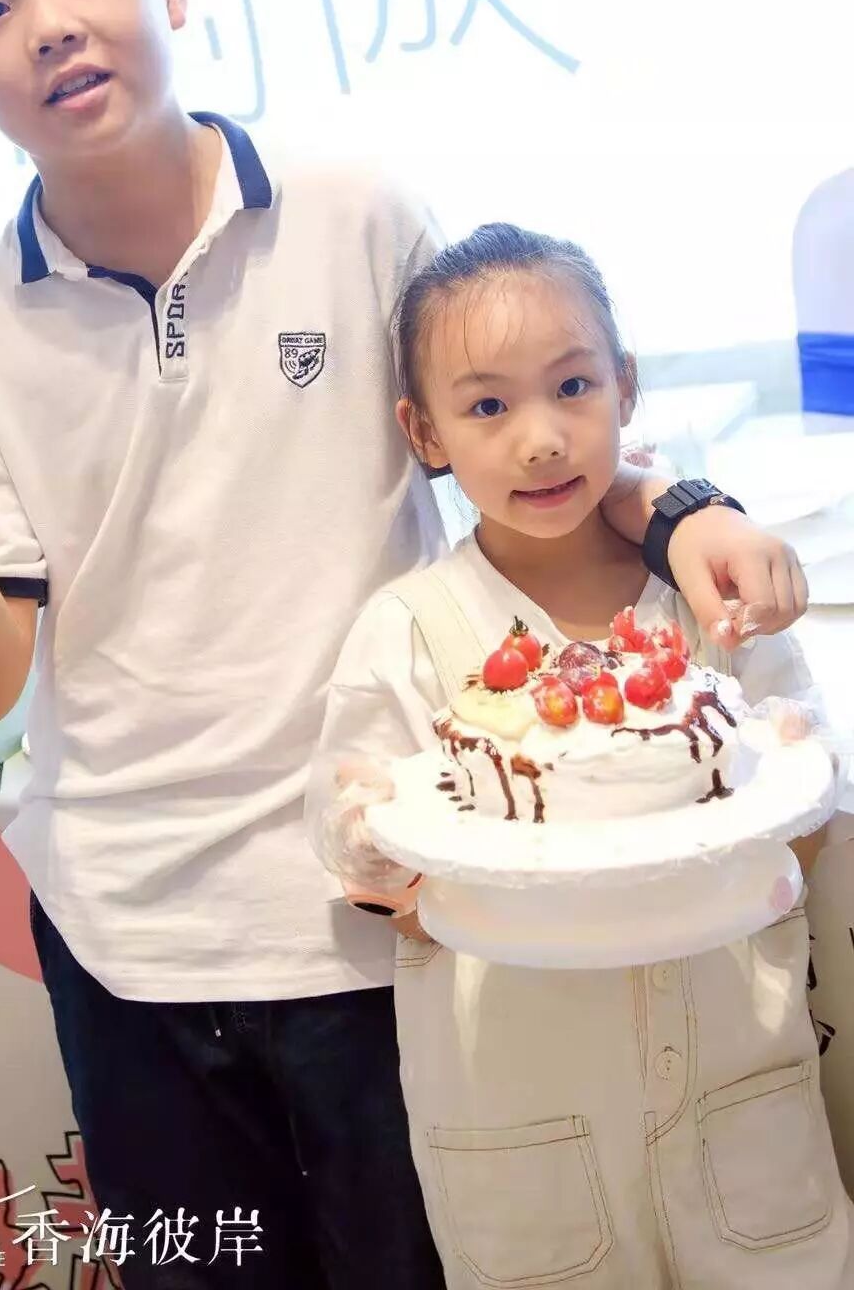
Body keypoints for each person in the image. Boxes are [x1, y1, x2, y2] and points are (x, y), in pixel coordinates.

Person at [0, 0, 810, 1289]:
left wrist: (685, 507)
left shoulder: (356, 215)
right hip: (124, 933)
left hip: (383, 904)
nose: (50, 23)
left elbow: (518, 439)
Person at [308, 221, 851, 1289]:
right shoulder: (411, 630)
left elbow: (805, 790)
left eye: (572, 385)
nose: (542, 438)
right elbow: (371, 864)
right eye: (488, 406)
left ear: (625, 387)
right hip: (520, 1102)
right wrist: (390, 855)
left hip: (737, 1076)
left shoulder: (713, 607)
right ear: (424, 430)